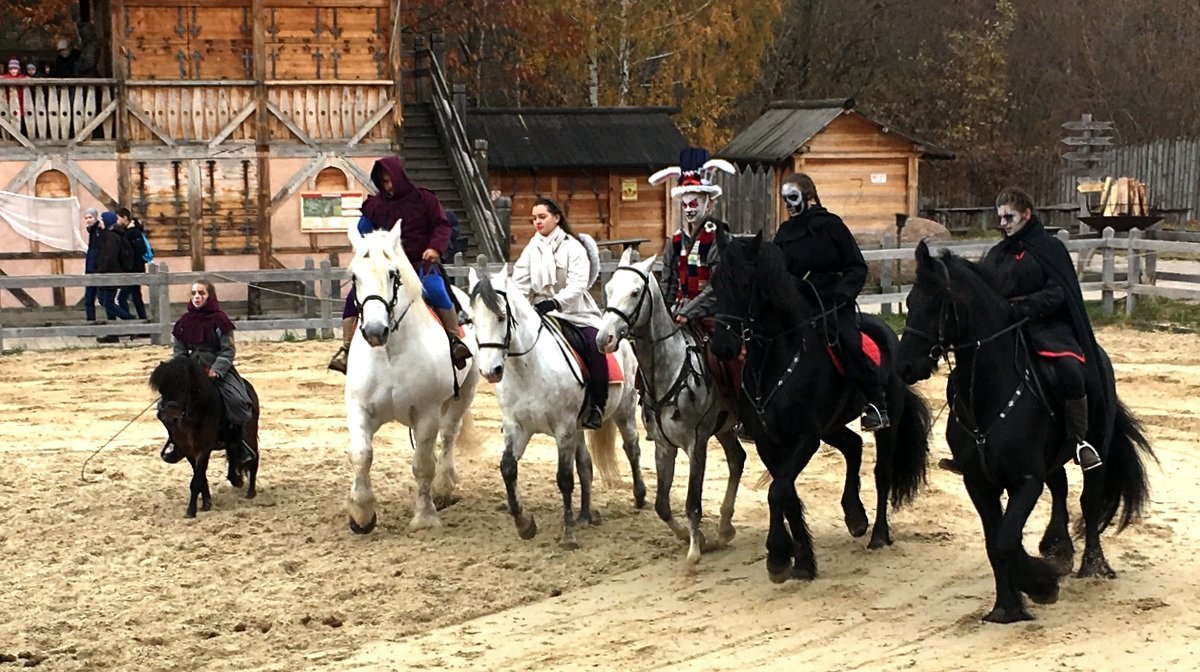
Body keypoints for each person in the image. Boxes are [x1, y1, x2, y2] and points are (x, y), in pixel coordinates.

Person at [981, 187, 1105, 471]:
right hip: (1005, 330)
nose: (1003, 224)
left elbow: (1059, 292)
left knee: (1070, 371)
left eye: (1009, 217)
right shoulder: (998, 252)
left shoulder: (1050, 249)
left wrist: (1022, 307)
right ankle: (971, 443)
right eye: (1000, 218)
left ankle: (1079, 441)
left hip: (1047, 327)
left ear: (1027, 214)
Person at [327, 157, 470, 373]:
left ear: (400, 177)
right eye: (384, 182)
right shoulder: (374, 206)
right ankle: (346, 349)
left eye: (390, 180)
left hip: (420, 263)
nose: (388, 186)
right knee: (351, 299)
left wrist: (435, 248)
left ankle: (454, 340)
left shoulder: (425, 199)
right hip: (385, 267)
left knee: (436, 290)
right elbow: (362, 232)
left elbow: (442, 226)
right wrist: (366, 250)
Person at [772, 173, 889, 432]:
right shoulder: (784, 232)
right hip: (797, 304)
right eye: (785, 200)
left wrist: (843, 294)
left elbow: (857, 266)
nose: (788, 204)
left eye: (793, 198)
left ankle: (875, 404)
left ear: (808, 196)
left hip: (832, 303)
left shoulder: (832, 225)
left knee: (848, 341)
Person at [510, 197, 608, 429]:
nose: (537, 222)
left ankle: (597, 405)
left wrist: (555, 303)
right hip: (539, 313)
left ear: (556, 217)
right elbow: (520, 283)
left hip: (574, 313)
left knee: (594, 345)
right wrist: (520, 306)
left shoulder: (573, 247)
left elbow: (578, 284)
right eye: (534, 218)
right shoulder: (531, 248)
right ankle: (516, 405)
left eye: (542, 217)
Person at [161, 279, 256, 466]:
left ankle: (239, 444)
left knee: (237, 401)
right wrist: (181, 370)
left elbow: (228, 350)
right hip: (191, 371)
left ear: (209, 296)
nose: (197, 297)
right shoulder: (183, 322)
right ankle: (176, 442)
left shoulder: (220, 320)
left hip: (217, 368)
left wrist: (217, 370)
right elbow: (179, 351)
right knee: (167, 406)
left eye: (201, 293)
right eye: (194, 293)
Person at [649, 147, 737, 326]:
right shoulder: (675, 241)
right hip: (679, 313)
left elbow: (717, 286)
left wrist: (689, 312)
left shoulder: (718, 238)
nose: (689, 209)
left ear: (709, 204)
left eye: (694, 204)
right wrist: (663, 315)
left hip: (712, 315)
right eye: (685, 205)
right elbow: (668, 283)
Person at [94, 210, 136, 340]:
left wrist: (101, 271)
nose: (99, 221)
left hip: (110, 273)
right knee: (107, 301)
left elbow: (109, 256)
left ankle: (131, 321)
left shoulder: (111, 236)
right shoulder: (110, 234)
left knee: (108, 302)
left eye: (102, 219)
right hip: (110, 272)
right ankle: (113, 333)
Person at [116, 207, 149, 320]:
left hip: (134, 269)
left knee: (122, 297)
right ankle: (143, 321)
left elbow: (138, 250)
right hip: (135, 269)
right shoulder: (133, 231)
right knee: (136, 297)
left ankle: (129, 321)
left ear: (125, 218)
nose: (117, 221)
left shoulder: (133, 232)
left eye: (118, 218)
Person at [81, 207, 102, 323]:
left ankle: (127, 321)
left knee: (104, 300)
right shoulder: (93, 231)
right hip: (90, 269)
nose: (88, 220)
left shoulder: (98, 231)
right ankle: (91, 323)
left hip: (96, 270)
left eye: (90, 217)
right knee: (89, 299)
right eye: (86, 218)